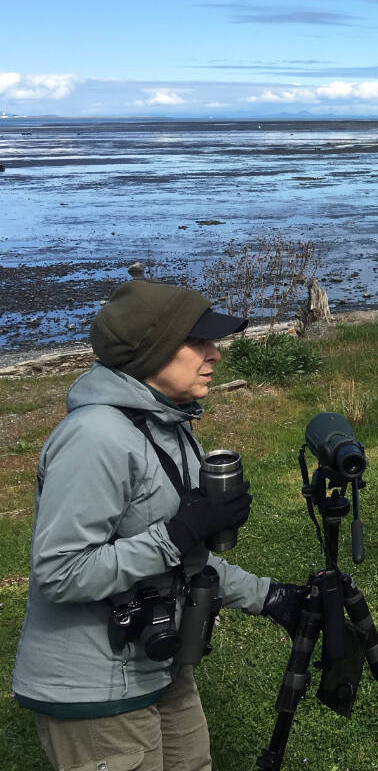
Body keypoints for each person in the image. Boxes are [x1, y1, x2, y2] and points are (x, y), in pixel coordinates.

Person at [12, 281, 308, 771]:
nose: (215, 353)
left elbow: (179, 560)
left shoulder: (163, 426)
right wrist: (178, 532)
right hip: (95, 688)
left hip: (159, 667)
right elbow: (60, 571)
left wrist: (270, 597)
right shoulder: (96, 438)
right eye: (199, 342)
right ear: (152, 351)